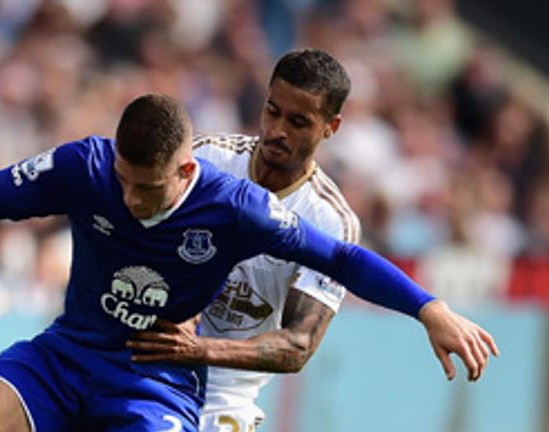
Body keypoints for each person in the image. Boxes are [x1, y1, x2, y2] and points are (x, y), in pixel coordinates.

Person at [0, 93, 470, 432]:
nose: (129, 198)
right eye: (122, 180)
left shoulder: (239, 209)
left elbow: (342, 258)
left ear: (185, 171)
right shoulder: (83, 166)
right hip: (66, 354)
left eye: (146, 188)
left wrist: (428, 308)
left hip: (153, 382)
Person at [125, 49, 500, 432]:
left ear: (330, 127)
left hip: (224, 393)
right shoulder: (204, 160)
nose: (277, 131)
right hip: (146, 359)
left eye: (299, 122)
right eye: (272, 111)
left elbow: (297, 346)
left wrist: (198, 350)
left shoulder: (327, 219)